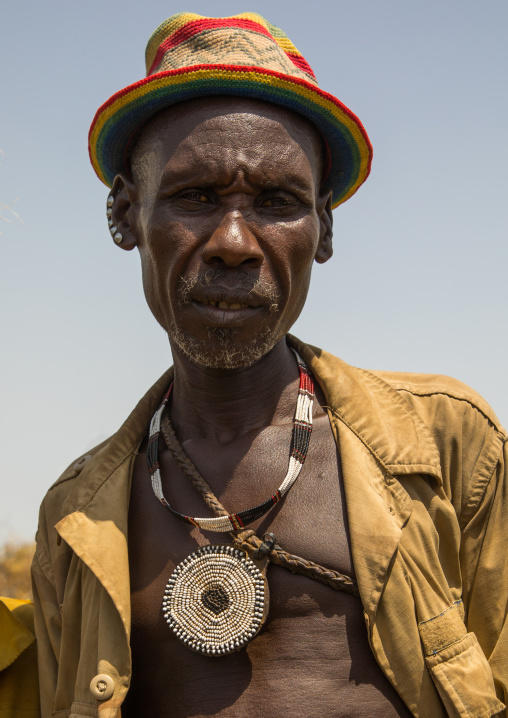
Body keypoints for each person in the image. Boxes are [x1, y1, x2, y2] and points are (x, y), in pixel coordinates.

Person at [32, 12, 507, 718]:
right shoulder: (75, 520)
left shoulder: (448, 446)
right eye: (195, 197)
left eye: (277, 203)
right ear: (127, 217)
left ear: (324, 230)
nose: (233, 242)